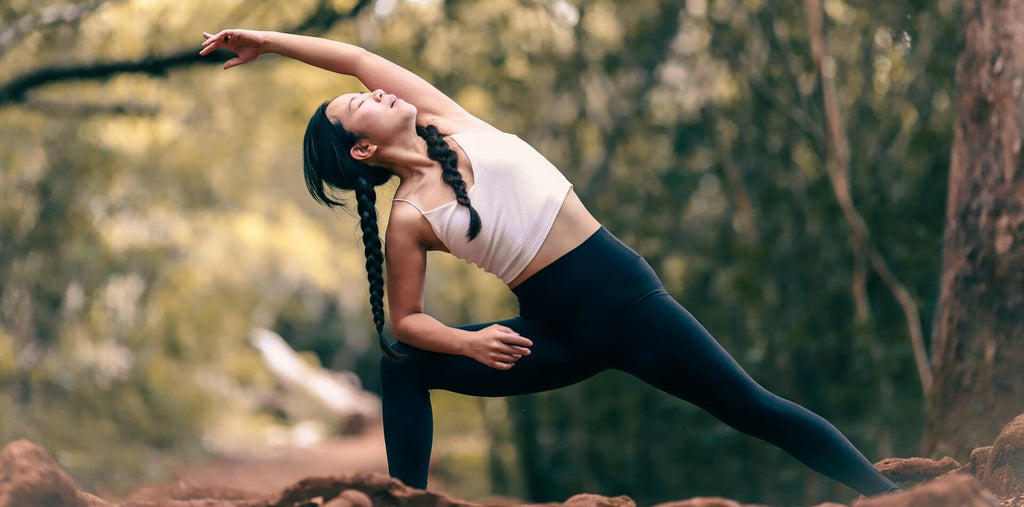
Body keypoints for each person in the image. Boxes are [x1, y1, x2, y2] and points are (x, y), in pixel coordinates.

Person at [199, 28, 902, 498]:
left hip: (628, 301)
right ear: (361, 151)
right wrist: (469, 340)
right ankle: (405, 502)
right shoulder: (409, 217)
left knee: (754, 407)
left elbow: (351, 56)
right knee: (399, 365)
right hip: (553, 335)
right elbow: (407, 321)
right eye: (360, 106)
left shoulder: (446, 119)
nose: (375, 89)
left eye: (368, 90)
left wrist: (265, 41)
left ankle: (903, 499)